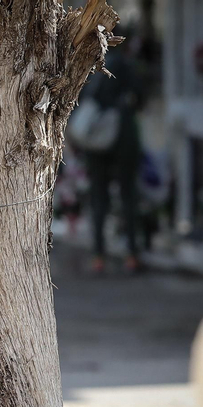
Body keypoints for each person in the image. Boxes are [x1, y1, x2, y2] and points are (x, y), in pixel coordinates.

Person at [80, 42, 146, 274]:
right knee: (128, 195)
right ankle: (131, 255)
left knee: (99, 196)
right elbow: (141, 98)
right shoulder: (126, 66)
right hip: (124, 138)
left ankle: (98, 256)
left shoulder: (91, 69)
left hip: (96, 138)